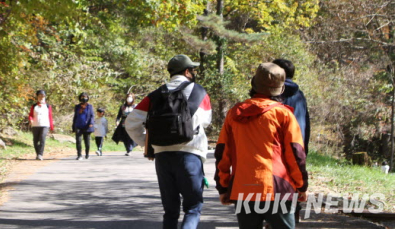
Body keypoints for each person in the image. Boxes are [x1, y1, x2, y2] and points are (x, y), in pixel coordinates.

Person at [215, 63, 308, 229]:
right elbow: (295, 154)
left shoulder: (234, 113)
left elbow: (223, 153)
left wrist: (223, 186)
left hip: (243, 189)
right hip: (276, 188)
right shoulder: (283, 114)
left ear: (254, 84)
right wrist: (301, 186)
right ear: (280, 89)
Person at [126, 54, 212, 229]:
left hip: (163, 156)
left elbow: (131, 122)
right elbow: (205, 120)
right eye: (192, 70)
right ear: (187, 71)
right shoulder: (199, 92)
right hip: (191, 155)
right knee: (193, 208)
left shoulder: (155, 95)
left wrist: (146, 143)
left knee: (170, 210)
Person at [272, 58, 311, 152]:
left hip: (278, 149)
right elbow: (306, 124)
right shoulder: (299, 94)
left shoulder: (273, 93)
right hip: (297, 145)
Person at [28, 89, 54, 160]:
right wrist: (31, 120)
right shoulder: (34, 106)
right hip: (35, 125)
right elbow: (30, 115)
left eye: (43, 96)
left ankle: (40, 154)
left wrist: (52, 127)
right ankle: (37, 153)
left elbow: (50, 116)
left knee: (42, 138)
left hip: (45, 125)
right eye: (40, 96)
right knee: (35, 140)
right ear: (37, 97)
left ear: (45, 96)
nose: (41, 97)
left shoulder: (48, 106)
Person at [72, 92, 95, 160]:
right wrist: (73, 125)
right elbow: (75, 116)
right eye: (82, 97)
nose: (84, 98)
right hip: (78, 126)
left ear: (87, 98)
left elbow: (92, 116)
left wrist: (91, 123)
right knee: (78, 141)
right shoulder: (77, 107)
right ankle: (79, 155)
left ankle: (87, 154)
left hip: (87, 126)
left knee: (87, 141)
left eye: (85, 97)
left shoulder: (89, 106)